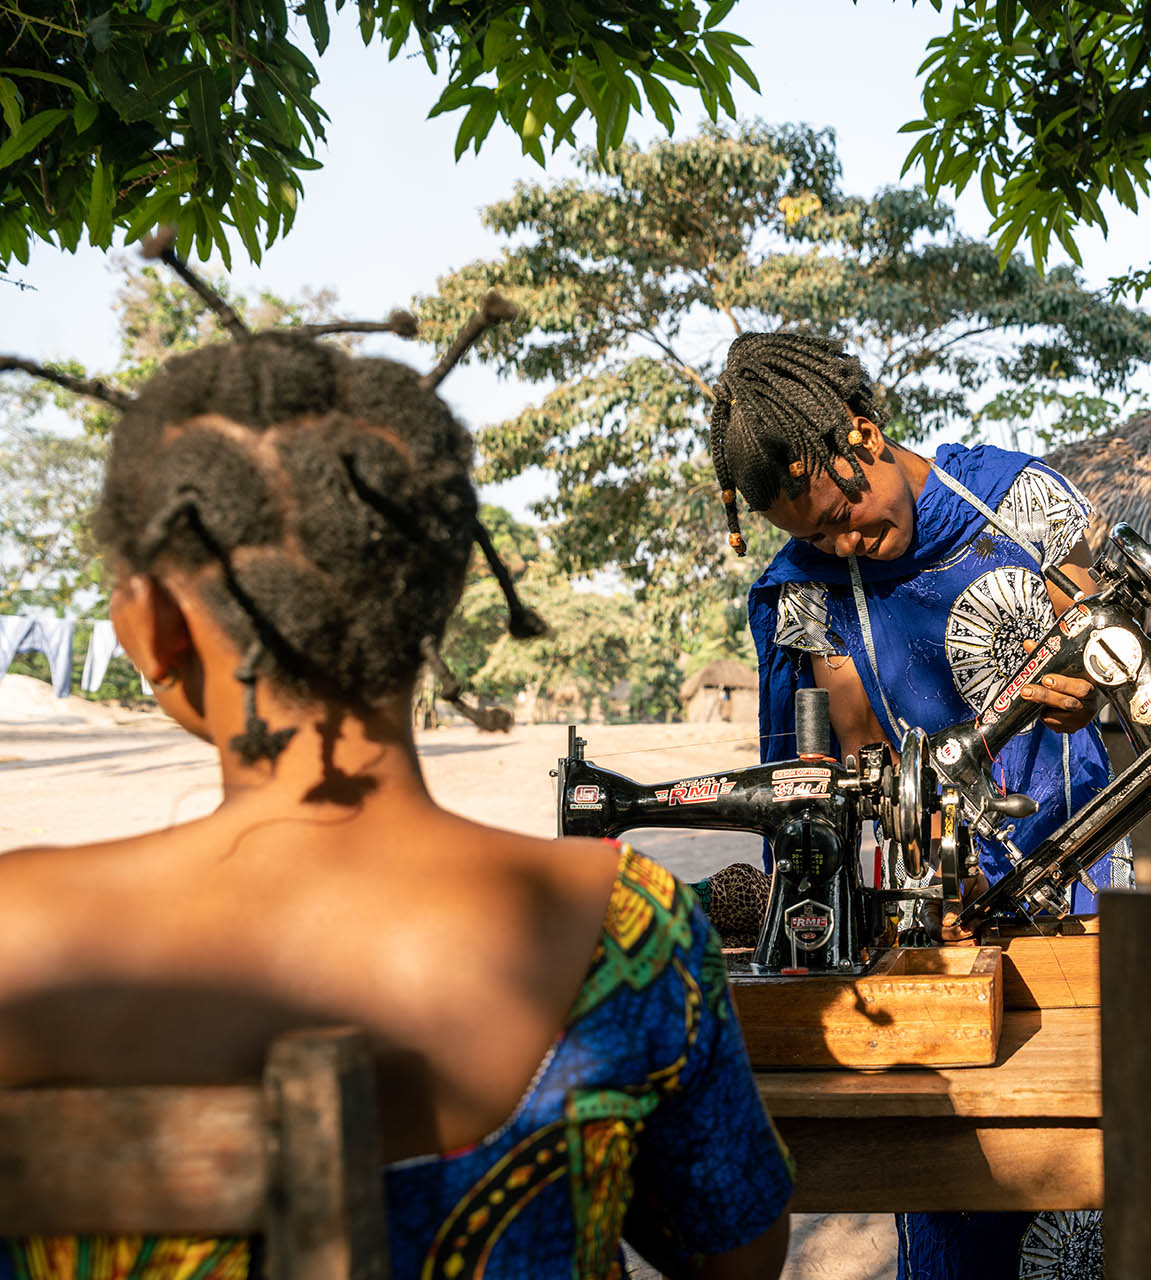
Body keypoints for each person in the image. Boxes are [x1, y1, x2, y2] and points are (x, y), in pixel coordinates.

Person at [0, 271, 792, 1280]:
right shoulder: (623, 927)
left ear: (145, 627)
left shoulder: (15, 936)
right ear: (441, 595)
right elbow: (738, 1260)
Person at [709, 331, 1115, 1279]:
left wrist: (1088, 674)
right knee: (948, 1183)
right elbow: (861, 757)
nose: (842, 540)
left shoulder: (1018, 502)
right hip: (931, 916)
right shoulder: (811, 591)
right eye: (812, 535)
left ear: (865, 431)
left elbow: (1105, 629)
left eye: (843, 510)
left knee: (1080, 1188)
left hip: (1078, 893)